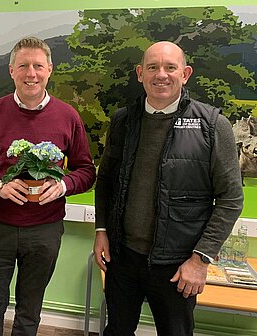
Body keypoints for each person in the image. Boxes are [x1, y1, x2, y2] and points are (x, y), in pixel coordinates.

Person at [93, 41, 244, 335]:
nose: (161, 74)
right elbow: (107, 181)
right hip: (123, 259)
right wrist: (101, 230)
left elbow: (231, 199)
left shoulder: (212, 125)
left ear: (185, 74)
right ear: (140, 73)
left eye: (170, 67)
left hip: (178, 266)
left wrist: (200, 260)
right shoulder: (123, 121)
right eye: (152, 67)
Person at [0, 36, 96, 336]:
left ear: (49, 69)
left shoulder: (68, 116)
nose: (30, 73)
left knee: (30, 311)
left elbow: (86, 171)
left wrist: (61, 186)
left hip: (44, 230)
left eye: (37, 66)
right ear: (11, 71)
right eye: (23, 66)